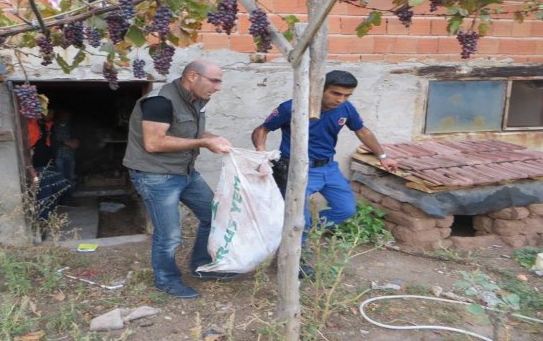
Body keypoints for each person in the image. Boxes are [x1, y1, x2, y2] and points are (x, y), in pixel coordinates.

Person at [251, 70, 398, 276]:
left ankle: (298, 234)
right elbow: (262, 129)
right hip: (297, 169)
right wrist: (261, 153)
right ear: (320, 89)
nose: (341, 100)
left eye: (347, 96)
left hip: (329, 168)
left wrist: (383, 156)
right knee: (299, 218)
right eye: (336, 93)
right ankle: (295, 258)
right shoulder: (292, 107)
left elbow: (361, 130)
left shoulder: (345, 108)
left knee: (345, 209)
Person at [123, 59, 239, 299]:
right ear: (193, 77)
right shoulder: (160, 101)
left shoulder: (196, 100)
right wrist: (204, 143)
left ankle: (201, 266)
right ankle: (166, 280)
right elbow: (154, 143)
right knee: (169, 235)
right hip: (156, 175)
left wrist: (212, 136)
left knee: (214, 214)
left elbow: (184, 130)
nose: (218, 87)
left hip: (184, 172)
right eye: (214, 81)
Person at [27, 110, 70, 225]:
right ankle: (44, 221)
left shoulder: (45, 126)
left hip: (49, 164)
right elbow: (27, 146)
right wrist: (30, 167)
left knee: (61, 185)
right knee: (45, 193)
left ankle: (49, 214)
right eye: (49, 112)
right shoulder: (32, 125)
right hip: (38, 166)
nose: (52, 115)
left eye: (52, 113)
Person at [53, 109, 79, 204]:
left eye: (68, 116)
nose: (66, 118)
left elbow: (75, 144)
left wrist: (63, 142)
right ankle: (61, 200)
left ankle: (69, 199)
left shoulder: (71, 127)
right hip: (58, 156)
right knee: (60, 178)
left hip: (70, 156)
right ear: (59, 115)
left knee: (70, 178)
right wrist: (66, 142)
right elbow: (54, 141)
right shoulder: (53, 126)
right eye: (64, 115)